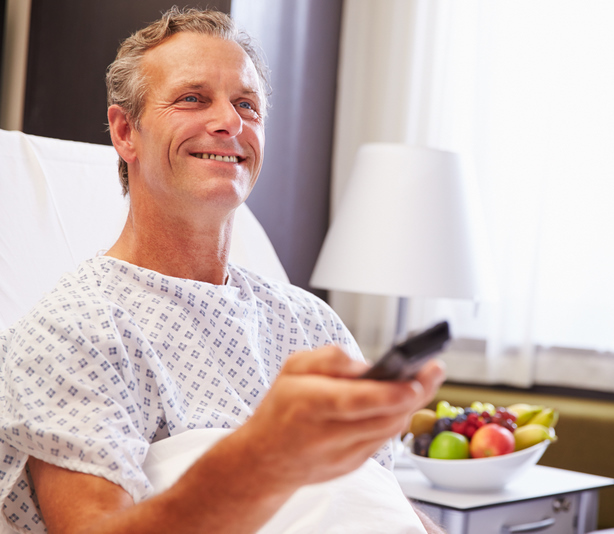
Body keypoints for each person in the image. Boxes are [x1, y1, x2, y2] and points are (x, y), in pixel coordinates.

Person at [0, 8, 446, 534]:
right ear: (125, 133)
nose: (229, 122)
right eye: (192, 98)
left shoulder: (311, 324)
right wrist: (265, 458)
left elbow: (375, 499)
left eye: (246, 105)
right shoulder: (75, 332)